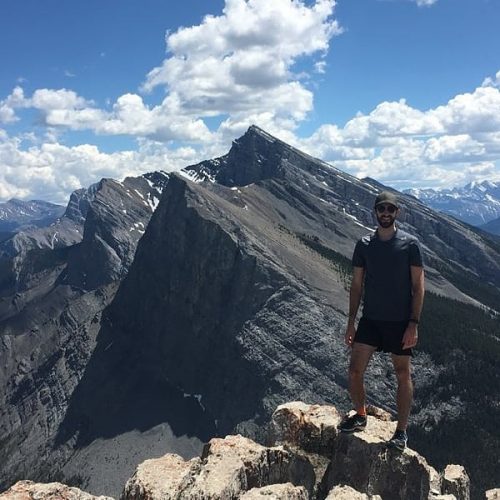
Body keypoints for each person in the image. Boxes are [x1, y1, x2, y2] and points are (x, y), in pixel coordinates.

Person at [338, 191, 425, 450]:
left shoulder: (410, 245)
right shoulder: (364, 244)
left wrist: (413, 323)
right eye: (381, 209)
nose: (385, 213)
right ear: (375, 212)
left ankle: (401, 432)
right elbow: (356, 285)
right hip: (371, 320)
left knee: (402, 373)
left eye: (390, 209)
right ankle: (361, 415)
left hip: (400, 322)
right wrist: (351, 321)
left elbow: (418, 287)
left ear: (397, 213)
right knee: (354, 371)